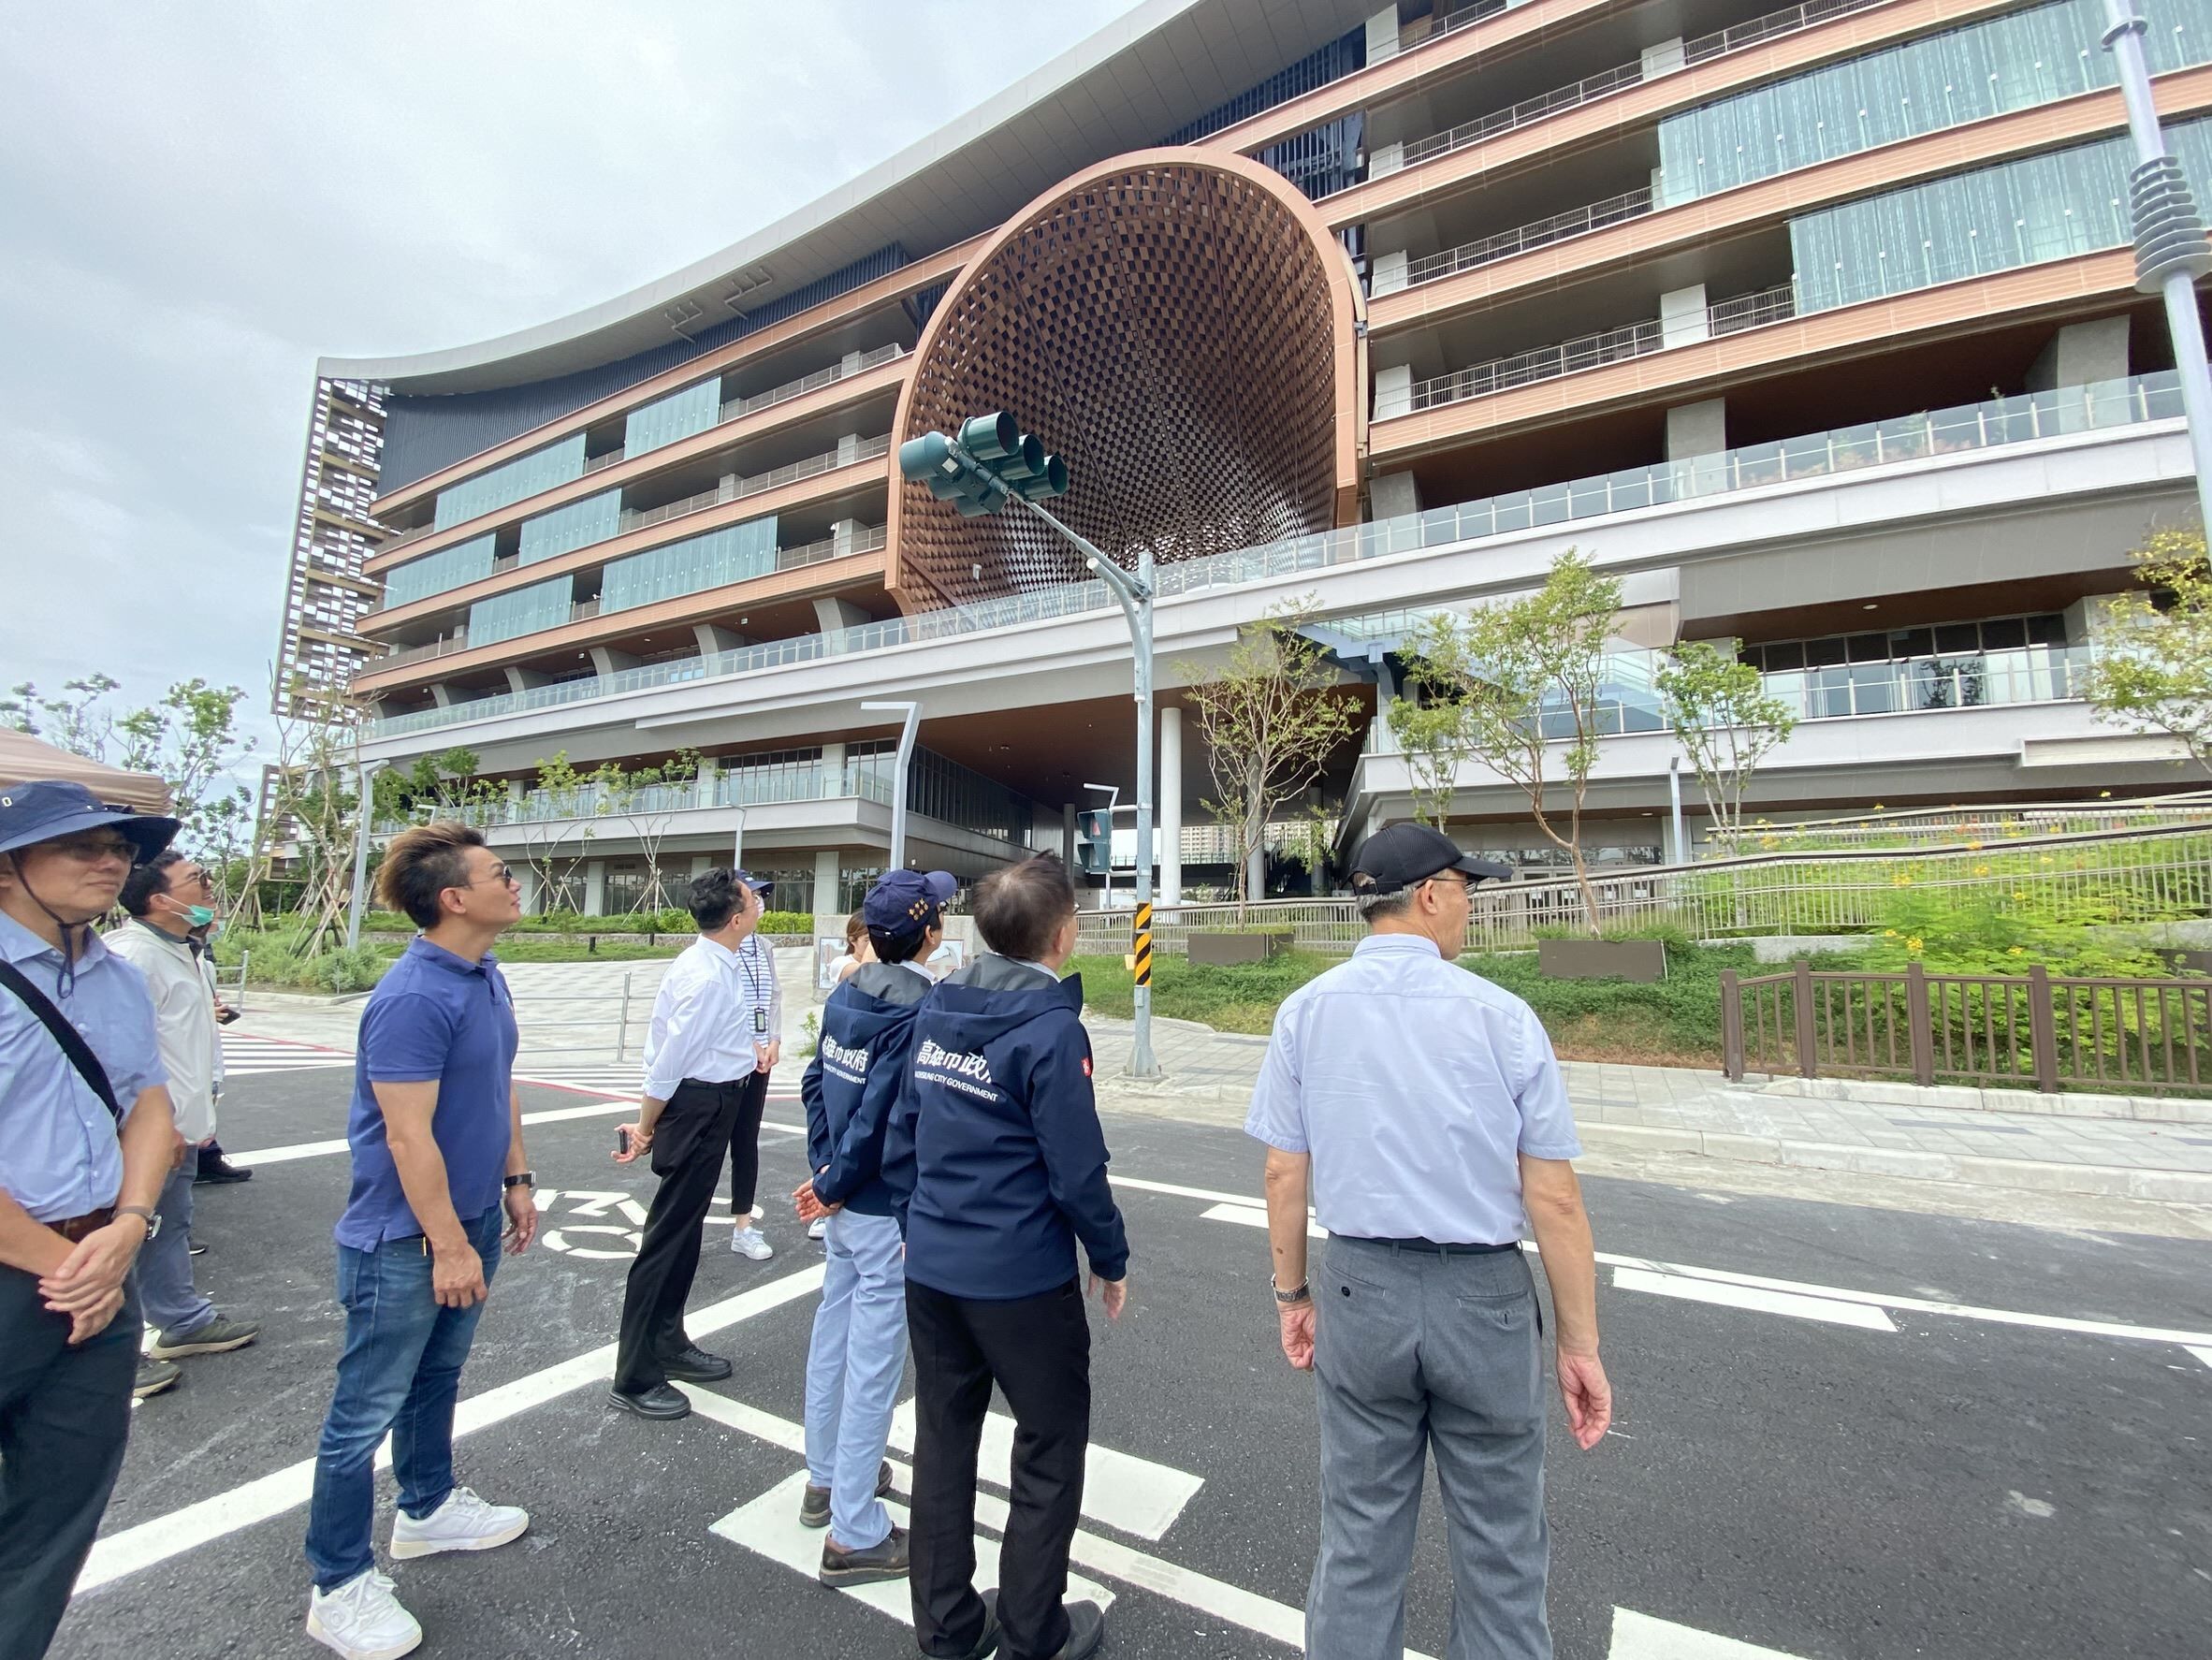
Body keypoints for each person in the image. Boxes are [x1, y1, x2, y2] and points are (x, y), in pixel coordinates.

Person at [1244, 822, 1614, 1660]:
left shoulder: (1304, 1011)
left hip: (1359, 1290)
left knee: (1359, 1538)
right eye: (1467, 892)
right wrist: (1580, 1345)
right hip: (1483, 1301)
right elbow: (1553, 1201)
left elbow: (1282, 1174)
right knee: (1502, 1551)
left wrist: (1292, 1297)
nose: (1470, 910)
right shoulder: (1504, 1017)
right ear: (1429, 895)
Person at [303, 823, 539, 1660]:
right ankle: (337, 1584)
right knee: (361, 1412)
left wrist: (516, 1180)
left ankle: (427, 1508)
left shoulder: (484, 973)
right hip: (403, 1237)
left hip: (468, 1215)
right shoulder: (411, 996)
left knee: (437, 1375)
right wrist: (446, 1243)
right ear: (454, 899)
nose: (516, 884)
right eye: (501, 875)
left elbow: (499, 1082)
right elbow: (407, 1138)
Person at [886, 852, 1128, 1660]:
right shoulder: (1053, 1029)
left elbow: (905, 1132)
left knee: (944, 1441)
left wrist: (914, 1219)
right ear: (1064, 934)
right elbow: (1077, 1168)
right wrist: (1110, 1256)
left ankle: (949, 1627)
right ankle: (1033, 1632)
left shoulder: (936, 1008)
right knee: (1049, 1446)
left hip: (933, 1266)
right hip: (1021, 1279)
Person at [0, 781, 182, 1660]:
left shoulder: (114, 976)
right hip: (29, 1268)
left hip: (102, 1263)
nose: (111, 861)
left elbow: (149, 1104)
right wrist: (69, 1263)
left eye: (120, 847)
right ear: (8, 867)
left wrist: (128, 1225)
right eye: (81, 847)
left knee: (61, 1503)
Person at [792, 869, 955, 1588]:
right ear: (930, 935)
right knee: (873, 1365)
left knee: (834, 1332)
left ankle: (824, 1478)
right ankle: (856, 1531)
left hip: (843, 1204)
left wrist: (826, 1174)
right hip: (883, 1205)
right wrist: (835, 1181)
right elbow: (887, 1118)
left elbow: (814, 1087)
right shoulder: (922, 1012)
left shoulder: (846, 994)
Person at [608, 867, 770, 1420]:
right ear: (735, 918)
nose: (759, 906)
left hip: (716, 1100)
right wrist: (645, 1125)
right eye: (753, 901)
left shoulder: (717, 962)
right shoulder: (705, 976)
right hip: (697, 1104)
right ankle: (633, 1374)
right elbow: (668, 1063)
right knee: (667, 1239)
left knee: (685, 1232)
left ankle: (668, 1340)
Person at [108, 851, 261, 1369]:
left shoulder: (183, 949)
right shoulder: (134, 957)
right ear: (159, 899)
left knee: (168, 1224)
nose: (209, 887)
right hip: (151, 1130)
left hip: (181, 1126)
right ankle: (112, 1356)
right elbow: (120, 1055)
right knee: (123, 1236)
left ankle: (182, 1322)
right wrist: (154, 1126)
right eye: (197, 880)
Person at [724, 869, 782, 1261]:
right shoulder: (722, 949)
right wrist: (748, 1044)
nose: (759, 902)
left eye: (762, 896)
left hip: (760, 1060)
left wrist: (773, 1039)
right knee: (709, 1147)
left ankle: (742, 1226)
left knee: (746, 1142)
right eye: (754, 895)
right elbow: (722, 1009)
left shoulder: (763, 948)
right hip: (728, 1061)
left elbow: (774, 996)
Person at [830, 910, 872, 984]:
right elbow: (866, 970)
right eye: (867, 940)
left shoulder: (881, 962)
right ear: (852, 940)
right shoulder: (840, 963)